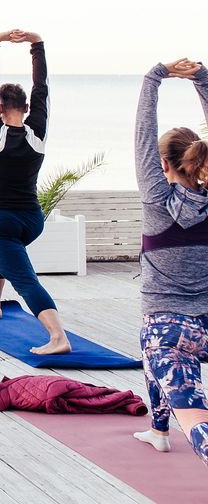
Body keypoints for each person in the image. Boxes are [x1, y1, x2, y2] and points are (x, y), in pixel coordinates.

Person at [130, 57, 208, 465]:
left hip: (169, 323)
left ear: (161, 166)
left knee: (197, 419)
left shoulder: (157, 199)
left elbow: (143, 134)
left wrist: (155, 76)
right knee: (150, 350)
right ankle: (158, 430)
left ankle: (170, 426)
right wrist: (202, 80)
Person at [0, 30, 70, 355]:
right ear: (27, 107)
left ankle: (58, 337)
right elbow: (42, 87)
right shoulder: (37, 132)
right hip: (31, 219)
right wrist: (37, 44)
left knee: (25, 279)